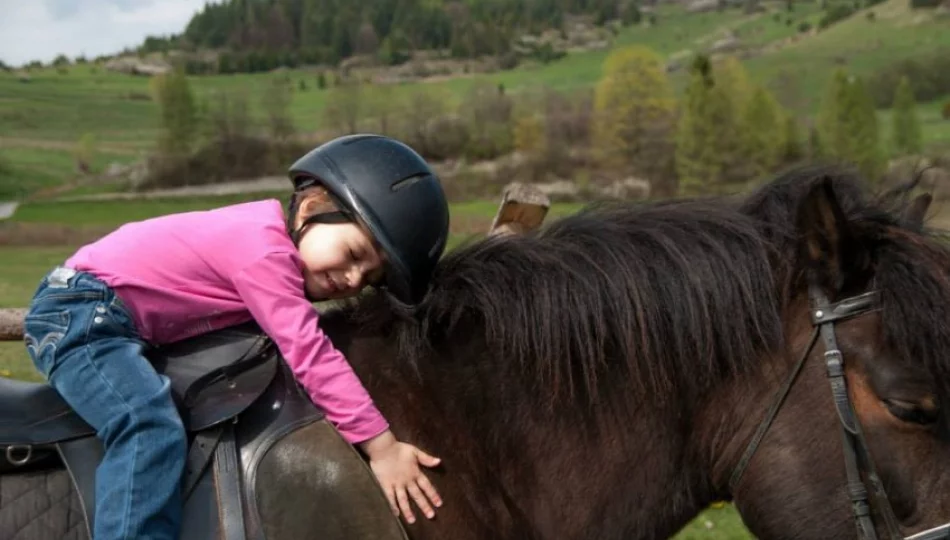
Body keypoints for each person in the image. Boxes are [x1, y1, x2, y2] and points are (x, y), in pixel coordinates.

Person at [22, 134, 450, 539]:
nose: (354, 277)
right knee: (145, 422)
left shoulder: (264, 239)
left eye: (370, 277)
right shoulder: (263, 253)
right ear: (311, 208)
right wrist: (381, 447)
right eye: (354, 254)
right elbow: (308, 352)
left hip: (105, 313)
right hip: (81, 314)